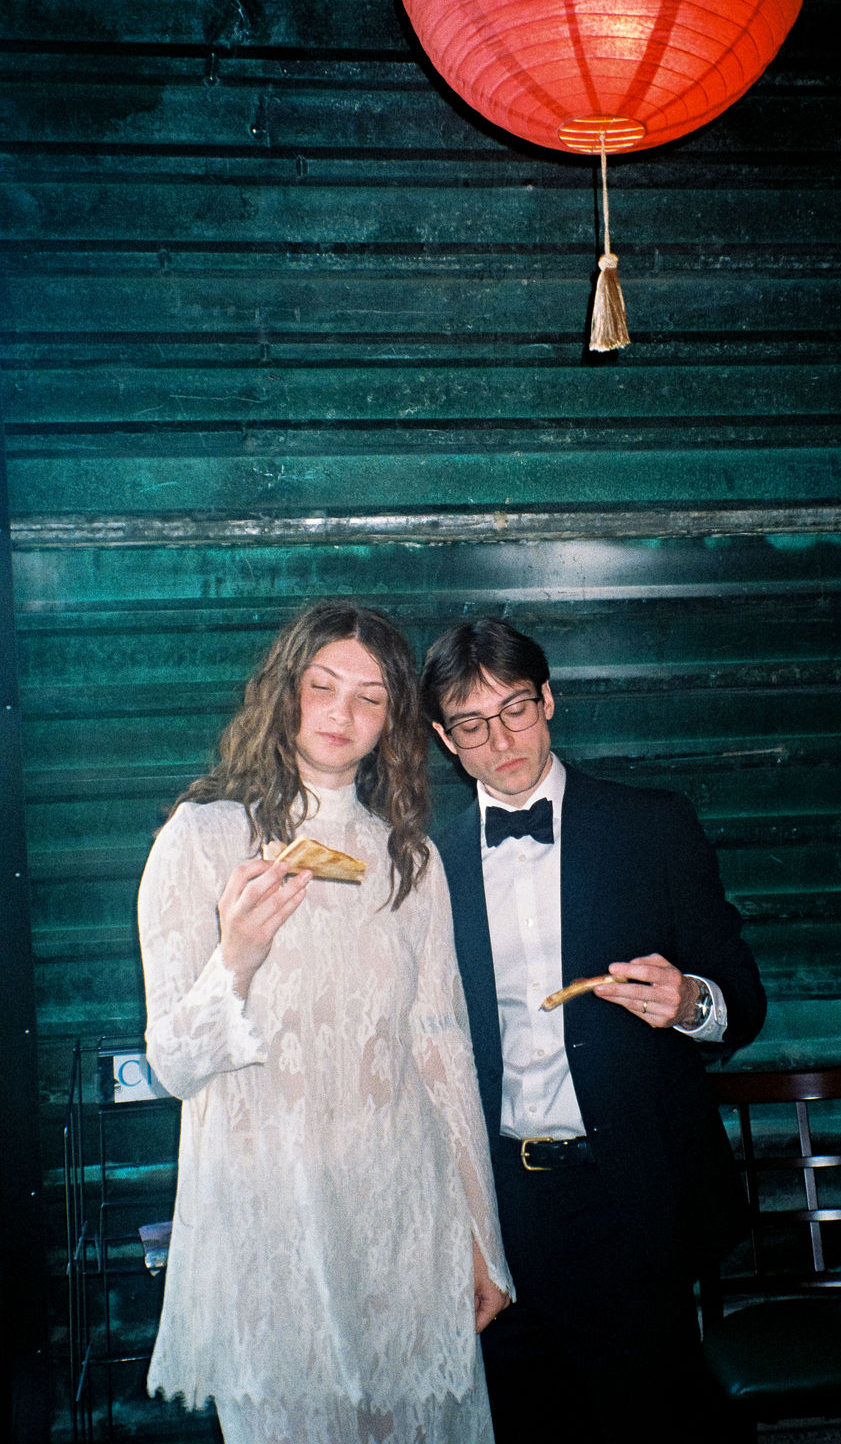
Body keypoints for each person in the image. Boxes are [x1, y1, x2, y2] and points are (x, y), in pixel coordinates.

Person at [137, 599, 511, 1444]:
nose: (342, 713)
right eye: (323, 686)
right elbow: (173, 1065)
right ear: (285, 692)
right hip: (272, 1231)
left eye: (370, 697)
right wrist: (236, 955)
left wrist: (483, 1240)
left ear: (393, 722)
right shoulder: (202, 840)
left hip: (403, 1225)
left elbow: (443, 1056)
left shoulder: (410, 859)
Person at [419, 617, 767, 1444]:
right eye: (472, 724)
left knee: (653, 1422)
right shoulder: (425, 865)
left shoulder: (653, 827)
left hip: (633, 1194)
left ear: (548, 699)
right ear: (444, 738)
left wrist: (690, 1003)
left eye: (515, 709)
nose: (501, 740)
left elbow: (744, 1002)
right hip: (500, 1205)